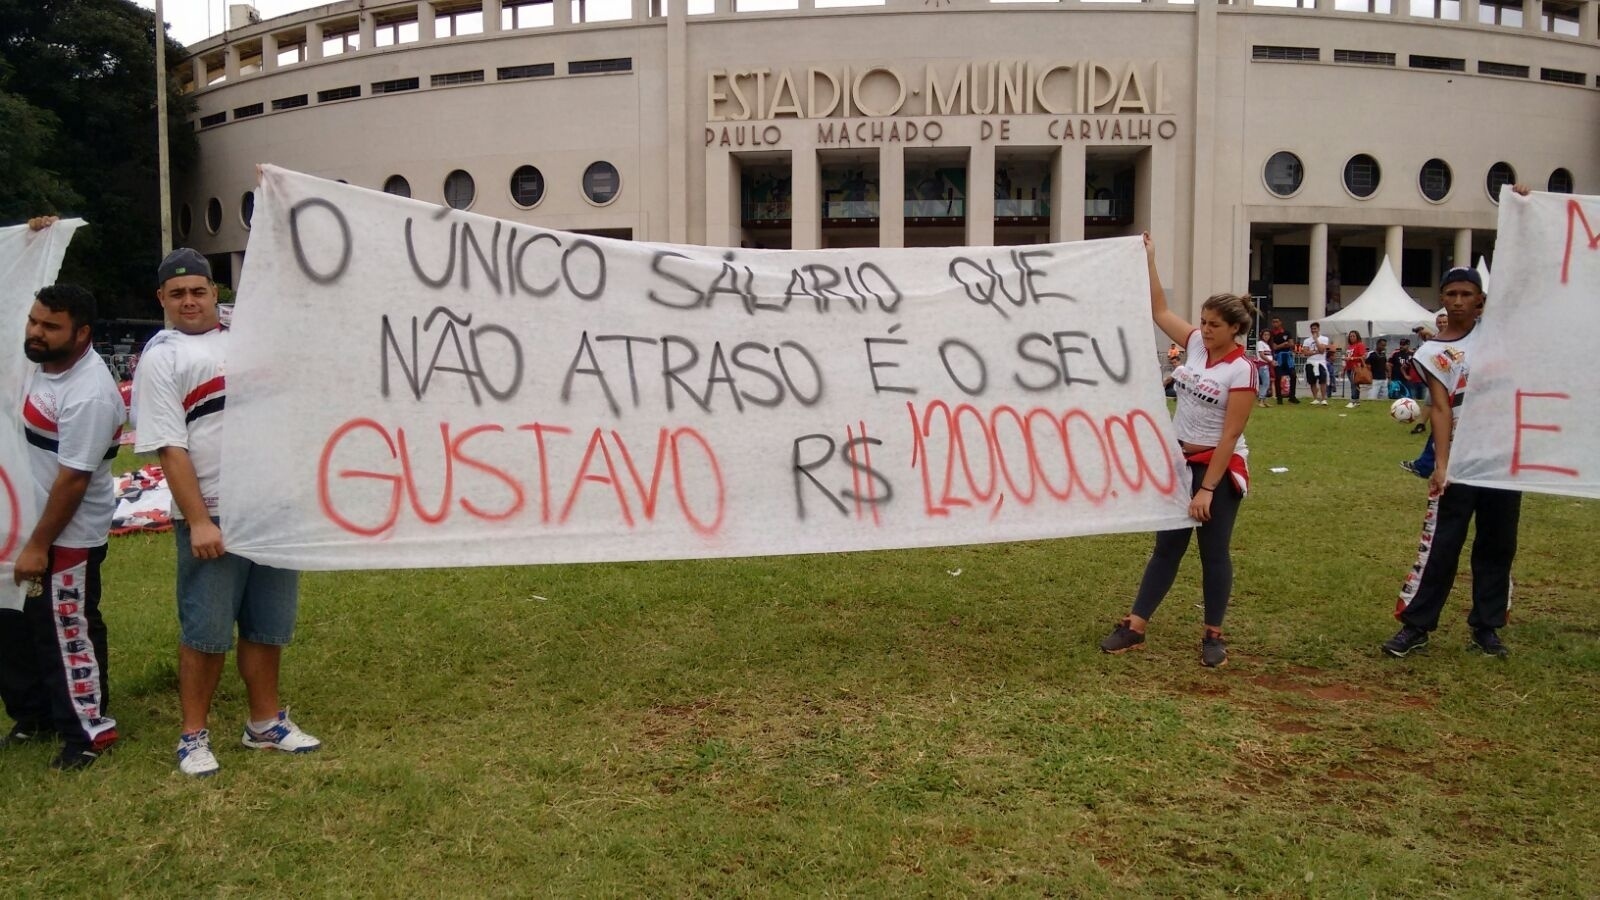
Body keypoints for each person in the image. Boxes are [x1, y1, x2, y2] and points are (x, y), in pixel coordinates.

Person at [131, 248, 321, 777]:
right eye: (177, 294)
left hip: (270, 506)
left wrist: (275, 208)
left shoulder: (249, 331)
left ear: (216, 292)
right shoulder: (161, 357)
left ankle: (264, 722)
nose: (189, 301)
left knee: (268, 624)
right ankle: (193, 735)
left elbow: (297, 294)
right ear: (162, 300)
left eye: (198, 290)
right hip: (213, 513)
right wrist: (198, 520)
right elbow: (171, 446)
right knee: (206, 631)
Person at [1383, 191, 1529, 660]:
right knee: (1442, 543)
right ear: (1441, 299)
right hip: (1461, 460)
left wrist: (1520, 216)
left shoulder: (1498, 330)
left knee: (1497, 543)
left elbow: (1523, 280)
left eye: (1468, 294)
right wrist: (1441, 465)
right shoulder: (1430, 353)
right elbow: (1441, 410)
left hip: (1502, 457)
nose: (1460, 301)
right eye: (1452, 294)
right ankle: (1417, 625)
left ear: (1482, 300)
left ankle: (1486, 626)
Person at [1101, 235, 1256, 667]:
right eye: (1203, 321)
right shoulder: (1195, 347)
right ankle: (1135, 626)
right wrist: (1149, 260)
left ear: (1235, 329)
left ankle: (1213, 635)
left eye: (1214, 325)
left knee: (1213, 551)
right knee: (1166, 547)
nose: (1205, 329)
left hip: (1217, 468)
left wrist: (1207, 489)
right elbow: (1159, 311)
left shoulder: (1242, 370)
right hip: (1179, 461)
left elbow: (1230, 435)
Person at [1, 280, 124, 770]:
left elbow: (73, 481)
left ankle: (88, 732)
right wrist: (36, 237)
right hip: (22, 523)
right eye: (34, 321)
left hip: (65, 533)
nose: (35, 332)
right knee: (14, 626)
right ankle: (35, 715)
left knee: (64, 627)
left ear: (82, 334)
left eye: (50, 326)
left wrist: (40, 545)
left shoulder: (89, 393)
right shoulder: (38, 364)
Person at [1267, 317, 1298, 404]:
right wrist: (1284, 344)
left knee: (1293, 375)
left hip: (1287, 357)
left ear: (1280, 322)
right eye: (1273, 322)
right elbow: (1274, 347)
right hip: (1277, 357)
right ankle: (1279, 398)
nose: (1275, 324)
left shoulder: (1287, 332)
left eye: (1277, 322)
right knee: (1278, 377)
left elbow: (1291, 344)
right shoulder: (1271, 334)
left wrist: (1280, 345)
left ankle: (1292, 396)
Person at [1301, 322, 1333, 405]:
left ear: (1318, 329)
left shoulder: (1324, 339)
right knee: (1312, 381)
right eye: (1312, 329)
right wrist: (1315, 352)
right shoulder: (1307, 340)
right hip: (1310, 362)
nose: (1313, 330)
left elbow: (1322, 350)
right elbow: (1305, 352)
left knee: (1323, 381)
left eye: (1315, 328)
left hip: (1321, 362)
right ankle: (1315, 398)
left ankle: (1323, 398)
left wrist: (1316, 340)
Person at [1343, 330, 1367, 408]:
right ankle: (1356, 401)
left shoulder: (1360, 345)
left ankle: (1353, 400)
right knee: (1354, 384)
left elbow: (1362, 357)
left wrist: (1352, 358)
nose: (1352, 338)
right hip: (1349, 367)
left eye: (1353, 336)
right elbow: (1347, 358)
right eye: (1350, 336)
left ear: (1357, 337)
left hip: (1356, 367)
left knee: (1354, 384)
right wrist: (1344, 369)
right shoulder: (1349, 347)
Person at [1365, 337, 1389, 403]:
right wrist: (1369, 377)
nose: (1384, 347)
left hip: (1383, 379)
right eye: (1382, 345)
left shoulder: (1383, 354)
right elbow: (1367, 366)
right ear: (1377, 344)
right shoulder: (1371, 354)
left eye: (1385, 345)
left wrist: (1388, 376)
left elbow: (1385, 365)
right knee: (1372, 398)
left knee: (1384, 399)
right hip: (1374, 380)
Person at [1253, 332, 1273, 408]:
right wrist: (1270, 361)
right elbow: (1261, 354)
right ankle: (1261, 400)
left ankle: (1264, 400)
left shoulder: (1267, 345)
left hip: (1267, 364)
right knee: (1265, 383)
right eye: (1265, 335)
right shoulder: (1260, 343)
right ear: (1262, 336)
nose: (1267, 336)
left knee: (1266, 383)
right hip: (1263, 365)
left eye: (1268, 335)